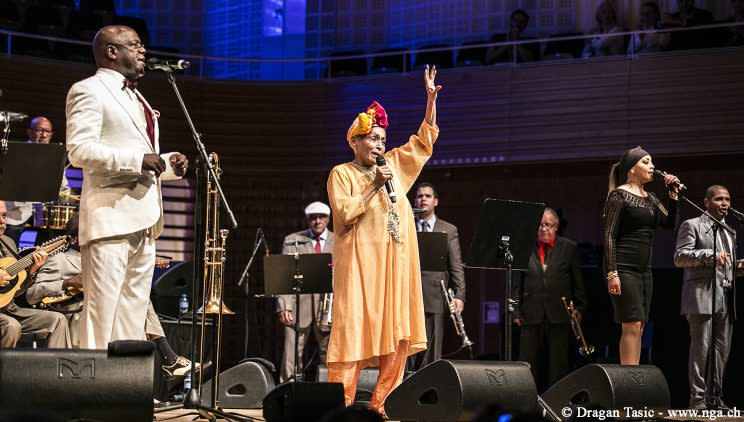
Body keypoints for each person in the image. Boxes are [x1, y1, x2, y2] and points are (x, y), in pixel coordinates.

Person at [326, 64, 441, 415]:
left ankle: (383, 406)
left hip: (394, 271)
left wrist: (430, 100)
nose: (379, 144)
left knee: (397, 338)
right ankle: (340, 407)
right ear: (355, 141)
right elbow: (345, 213)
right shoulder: (341, 174)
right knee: (352, 335)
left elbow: (423, 143)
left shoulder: (392, 166)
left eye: (382, 139)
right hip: (361, 272)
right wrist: (375, 183)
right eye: (373, 138)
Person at [65, 25, 188, 349]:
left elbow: (142, 159)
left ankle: (124, 394)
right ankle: (93, 395)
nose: (142, 51)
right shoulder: (88, 90)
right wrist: (138, 159)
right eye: (134, 45)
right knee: (102, 314)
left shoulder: (136, 96)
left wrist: (166, 164)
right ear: (111, 51)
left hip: (144, 219)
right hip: (110, 218)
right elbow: (79, 150)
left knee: (132, 316)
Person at [603, 146, 679, 365]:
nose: (652, 166)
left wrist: (673, 195)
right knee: (631, 324)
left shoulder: (652, 198)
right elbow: (609, 235)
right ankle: (629, 380)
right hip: (624, 269)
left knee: (640, 325)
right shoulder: (619, 195)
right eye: (646, 162)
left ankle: (634, 378)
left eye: (652, 162)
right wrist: (611, 272)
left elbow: (670, 224)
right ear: (631, 169)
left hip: (645, 271)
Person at [674, 185, 742, 410]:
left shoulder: (730, 231)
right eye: (719, 199)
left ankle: (716, 398)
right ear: (706, 202)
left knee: (721, 352)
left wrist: (738, 267)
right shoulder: (692, 225)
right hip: (701, 297)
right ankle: (698, 400)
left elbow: (725, 266)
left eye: (728, 200)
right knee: (700, 351)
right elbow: (680, 257)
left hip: (725, 297)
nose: (725, 204)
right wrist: (710, 255)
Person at [512, 207, 585, 392]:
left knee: (557, 368)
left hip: (559, 315)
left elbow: (578, 282)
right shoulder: (524, 247)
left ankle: (556, 406)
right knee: (528, 367)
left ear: (556, 227)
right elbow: (515, 283)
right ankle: (528, 406)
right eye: (540, 225)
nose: (543, 228)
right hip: (530, 314)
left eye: (548, 225)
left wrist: (580, 308)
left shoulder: (569, 248)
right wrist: (515, 311)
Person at [409, 181, 465, 369]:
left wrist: (459, 295)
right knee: (407, 353)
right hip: (408, 297)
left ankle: (431, 395)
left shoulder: (448, 229)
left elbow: (456, 265)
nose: (423, 199)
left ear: (436, 201)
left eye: (427, 196)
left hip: (435, 297)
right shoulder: (406, 226)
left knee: (432, 355)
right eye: (419, 196)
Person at [276, 201, 334, 382]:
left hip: (328, 307)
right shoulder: (292, 240)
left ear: (328, 219)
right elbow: (284, 275)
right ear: (308, 220)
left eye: (322, 217)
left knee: (330, 354)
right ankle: (287, 390)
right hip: (299, 305)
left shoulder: (339, 240)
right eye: (313, 218)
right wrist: (284, 305)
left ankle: (328, 391)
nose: (317, 221)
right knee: (292, 353)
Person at [0, 201, 70, 348]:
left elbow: (15, 291)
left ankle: (56, 370)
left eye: (4, 216)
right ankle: (6, 370)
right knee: (11, 326)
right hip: (6, 319)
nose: (2, 221)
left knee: (57, 320)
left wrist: (32, 270)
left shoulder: (8, 243)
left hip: (9, 309)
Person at [5, 116, 72, 245]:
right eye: (40, 130)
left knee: (47, 245)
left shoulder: (55, 156)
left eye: (47, 132)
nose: (44, 135)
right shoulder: (16, 152)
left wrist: (67, 199)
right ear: (29, 132)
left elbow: (62, 185)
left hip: (43, 212)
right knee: (9, 245)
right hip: (16, 210)